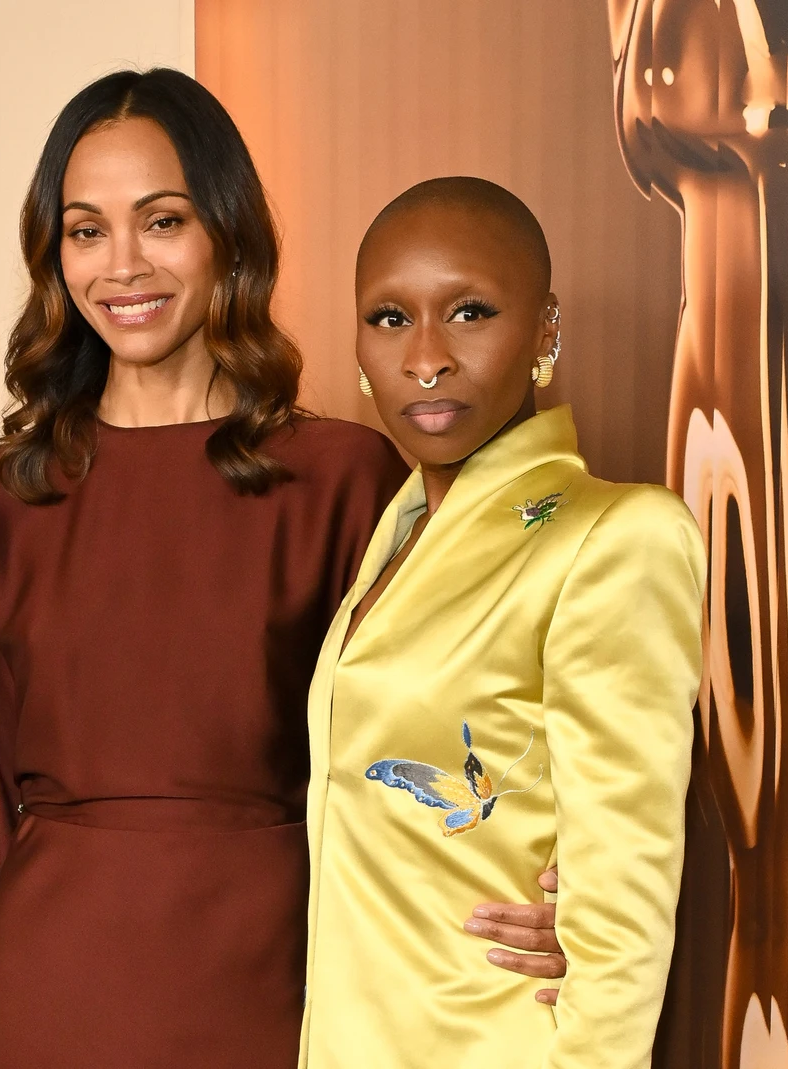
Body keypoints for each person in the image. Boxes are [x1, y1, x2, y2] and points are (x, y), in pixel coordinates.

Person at [0, 68, 406, 1068]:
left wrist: (546, 898)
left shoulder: (344, 479)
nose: (122, 265)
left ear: (226, 233)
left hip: (278, 981)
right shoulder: (5, 495)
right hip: (52, 991)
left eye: (161, 221)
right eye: (85, 230)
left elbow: (410, 767)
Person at [298, 177, 705, 1067]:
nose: (427, 358)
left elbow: (626, 889)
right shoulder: (395, 536)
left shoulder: (615, 535)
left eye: (470, 311)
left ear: (545, 331)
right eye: (390, 318)